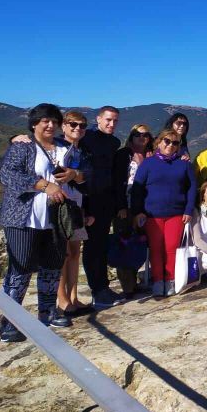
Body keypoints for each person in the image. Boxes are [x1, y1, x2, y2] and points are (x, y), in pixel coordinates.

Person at [0, 104, 77, 341]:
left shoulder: (66, 148)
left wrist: (74, 175)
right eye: (45, 121)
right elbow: (8, 174)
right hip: (23, 219)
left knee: (52, 267)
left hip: (54, 220)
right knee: (19, 269)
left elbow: (85, 174)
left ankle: (48, 312)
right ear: (34, 124)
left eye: (54, 121)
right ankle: (10, 322)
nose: (50, 125)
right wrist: (44, 185)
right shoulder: (23, 147)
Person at [131, 128, 197, 298]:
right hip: (152, 214)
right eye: (166, 141)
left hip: (176, 214)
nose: (170, 145)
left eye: (175, 143)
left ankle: (171, 279)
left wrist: (189, 209)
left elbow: (192, 189)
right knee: (155, 248)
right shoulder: (148, 164)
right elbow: (137, 190)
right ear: (158, 142)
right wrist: (137, 212)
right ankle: (158, 280)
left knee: (171, 248)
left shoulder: (184, 164)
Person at [80, 105, 122, 309]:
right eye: (108, 120)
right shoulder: (85, 137)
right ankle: (96, 290)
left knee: (102, 246)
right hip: (88, 200)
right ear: (98, 119)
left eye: (115, 121)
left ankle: (103, 287)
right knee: (92, 247)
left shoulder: (114, 142)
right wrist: (18, 137)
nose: (111, 124)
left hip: (106, 200)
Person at [54, 111, 95, 314]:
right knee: (62, 253)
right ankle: (61, 300)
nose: (77, 128)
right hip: (60, 205)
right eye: (73, 124)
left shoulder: (84, 151)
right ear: (63, 126)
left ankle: (73, 297)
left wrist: (76, 175)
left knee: (74, 253)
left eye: (82, 125)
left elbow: (86, 178)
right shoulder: (56, 146)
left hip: (77, 205)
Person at [112, 123, 154, 299]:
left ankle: (137, 280)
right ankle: (128, 287)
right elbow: (116, 181)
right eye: (137, 134)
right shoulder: (123, 155)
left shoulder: (151, 156)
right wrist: (120, 206)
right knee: (125, 243)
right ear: (131, 136)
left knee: (140, 243)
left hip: (145, 206)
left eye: (145, 135)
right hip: (126, 206)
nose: (141, 138)